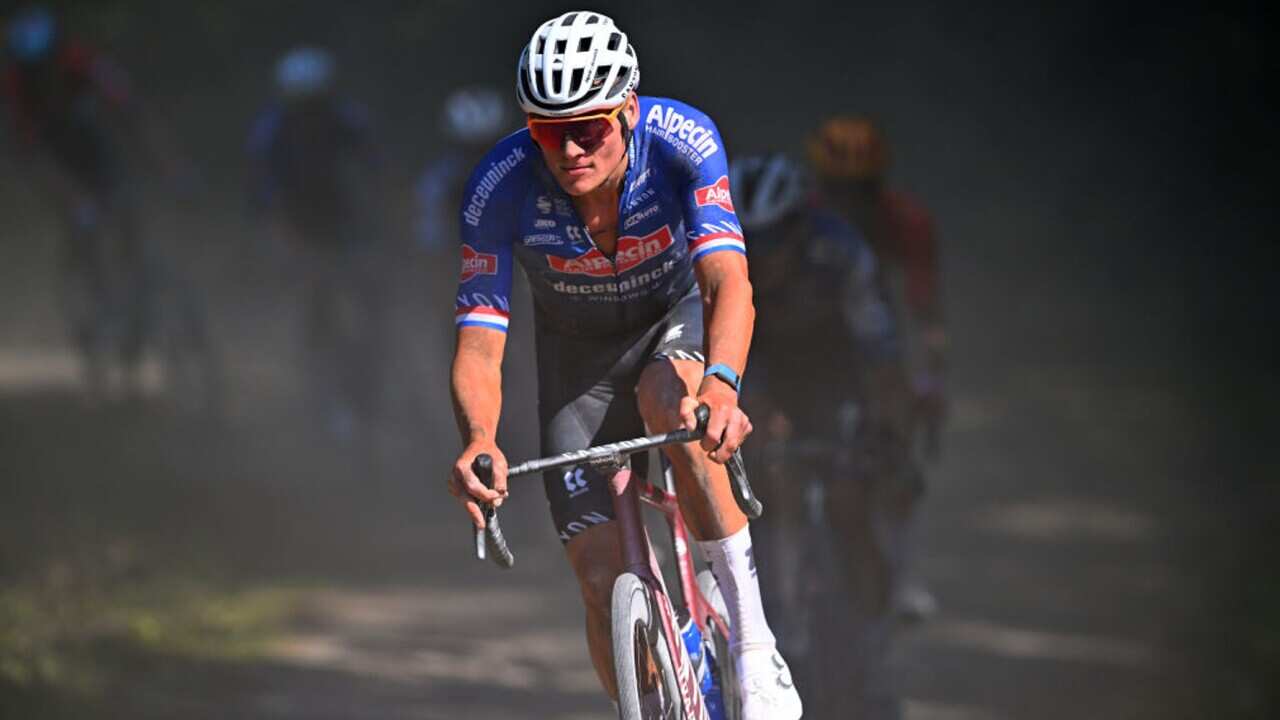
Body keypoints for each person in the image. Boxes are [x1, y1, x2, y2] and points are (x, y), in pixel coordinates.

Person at [446, 11, 802, 719]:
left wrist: (723, 386)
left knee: (673, 401)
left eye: (590, 129)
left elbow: (729, 283)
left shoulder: (682, 140)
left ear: (629, 111)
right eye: (549, 131)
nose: (571, 148)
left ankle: (756, 646)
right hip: (576, 363)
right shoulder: (500, 185)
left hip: (674, 322)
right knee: (600, 577)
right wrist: (479, 439)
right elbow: (480, 342)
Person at [731, 153, 909, 718]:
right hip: (761, 378)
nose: (764, 254)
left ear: (800, 227)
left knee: (848, 500)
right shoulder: (723, 260)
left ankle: (874, 647)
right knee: (755, 499)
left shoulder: (842, 254)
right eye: (751, 240)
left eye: (776, 238)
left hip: (837, 380)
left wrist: (882, 430)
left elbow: (880, 355)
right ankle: (761, 630)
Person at [808, 116, 946, 621]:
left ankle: (905, 575)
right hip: (819, 331)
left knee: (898, 457)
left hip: (883, 334)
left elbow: (924, 308)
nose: (849, 203)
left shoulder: (905, 220)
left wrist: (930, 380)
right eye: (838, 191)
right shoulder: (804, 216)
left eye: (860, 191)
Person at [2, 5, 174, 398]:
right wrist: (74, 201)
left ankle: (135, 303)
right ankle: (93, 314)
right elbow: (28, 154)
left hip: (94, 154)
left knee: (126, 214)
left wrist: (170, 170)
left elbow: (130, 109)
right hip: (53, 165)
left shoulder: (78, 60)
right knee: (83, 224)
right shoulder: (15, 83)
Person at [247, 46, 385, 442]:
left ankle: (371, 385)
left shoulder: (347, 121)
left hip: (348, 226)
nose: (310, 113)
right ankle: (320, 390)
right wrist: (282, 241)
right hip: (298, 230)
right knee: (316, 304)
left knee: (372, 301)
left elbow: (376, 172)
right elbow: (262, 196)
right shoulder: (273, 131)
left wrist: (384, 227)